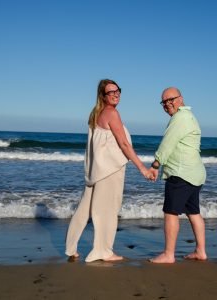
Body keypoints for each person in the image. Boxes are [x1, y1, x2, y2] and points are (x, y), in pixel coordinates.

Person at [65, 79, 154, 262]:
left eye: (117, 90)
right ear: (103, 96)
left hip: (95, 171)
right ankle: (103, 251)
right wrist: (142, 168)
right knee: (107, 211)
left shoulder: (96, 114)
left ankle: (71, 248)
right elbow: (123, 144)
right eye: (110, 92)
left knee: (85, 209)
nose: (115, 94)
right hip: (109, 170)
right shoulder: (112, 113)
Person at [149, 87, 207, 263]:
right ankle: (200, 251)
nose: (167, 104)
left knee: (171, 212)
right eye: (164, 102)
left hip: (181, 173)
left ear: (180, 99)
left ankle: (168, 254)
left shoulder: (180, 118)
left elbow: (167, 144)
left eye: (171, 99)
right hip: (194, 173)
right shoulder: (190, 117)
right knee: (193, 212)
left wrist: (155, 165)